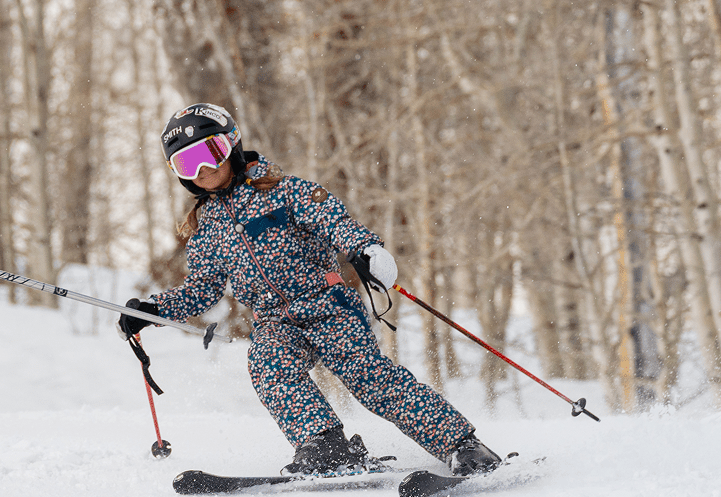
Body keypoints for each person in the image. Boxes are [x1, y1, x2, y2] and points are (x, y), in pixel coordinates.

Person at [118, 103, 502, 477]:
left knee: (371, 380)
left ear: (231, 144)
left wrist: (365, 250)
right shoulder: (206, 228)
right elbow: (203, 288)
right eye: (187, 164)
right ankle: (325, 446)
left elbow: (334, 221)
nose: (202, 170)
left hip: (328, 307)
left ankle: (461, 445)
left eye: (209, 154)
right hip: (275, 322)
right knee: (269, 367)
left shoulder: (286, 192)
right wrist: (153, 310)